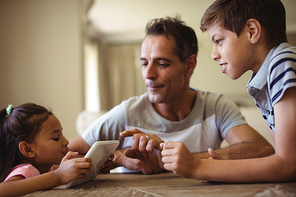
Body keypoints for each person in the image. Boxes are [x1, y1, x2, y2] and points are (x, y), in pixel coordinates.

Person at [69, 16, 274, 175]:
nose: (148, 74)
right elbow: (65, 155)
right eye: (144, 63)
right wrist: (116, 158)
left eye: (162, 64)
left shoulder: (216, 106)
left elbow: (261, 149)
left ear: (189, 64)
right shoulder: (127, 114)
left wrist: (174, 159)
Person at [159, 0, 296, 183]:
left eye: (219, 41)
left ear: (252, 31)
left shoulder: (282, 63)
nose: (214, 54)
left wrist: (197, 166)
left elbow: (287, 164)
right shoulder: (262, 80)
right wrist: (226, 167)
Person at [0, 103, 92, 197]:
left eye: (62, 135)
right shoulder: (26, 170)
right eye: (56, 138)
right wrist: (58, 176)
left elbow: (69, 166)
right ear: (28, 149)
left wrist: (92, 162)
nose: (66, 141)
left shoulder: (44, 167)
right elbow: (2, 190)